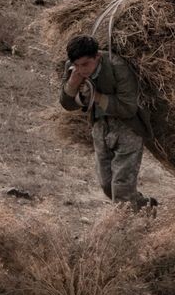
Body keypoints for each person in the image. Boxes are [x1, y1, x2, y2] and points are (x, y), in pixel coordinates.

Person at [59, 32, 157, 210]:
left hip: (128, 128)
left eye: (86, 64)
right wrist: (72, 84)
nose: (82, 69)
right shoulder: (73, 69)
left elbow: (129, 107)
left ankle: (124, 232)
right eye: (77, 65)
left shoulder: (116, 65)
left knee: (121, 187)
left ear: (97, 56)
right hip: (100, 127)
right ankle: (145, 207)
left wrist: (96, 97)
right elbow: (67, 104)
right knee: (107, 184)